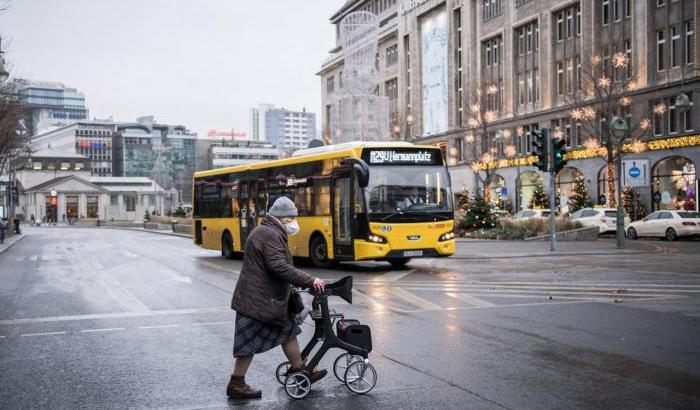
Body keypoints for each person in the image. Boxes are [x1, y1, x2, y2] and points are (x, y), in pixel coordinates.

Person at [227, 196, 326, 399]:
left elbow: (279, 265)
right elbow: (278, 266)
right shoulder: (270, 234)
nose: (294, 222)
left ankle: (300, 370)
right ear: (282, 218)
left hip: (259, 299)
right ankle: (236, 384)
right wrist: (310, 280)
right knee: (248, 345)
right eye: (292, 217)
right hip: (257, 302)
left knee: (287, 331)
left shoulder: (268, 231)